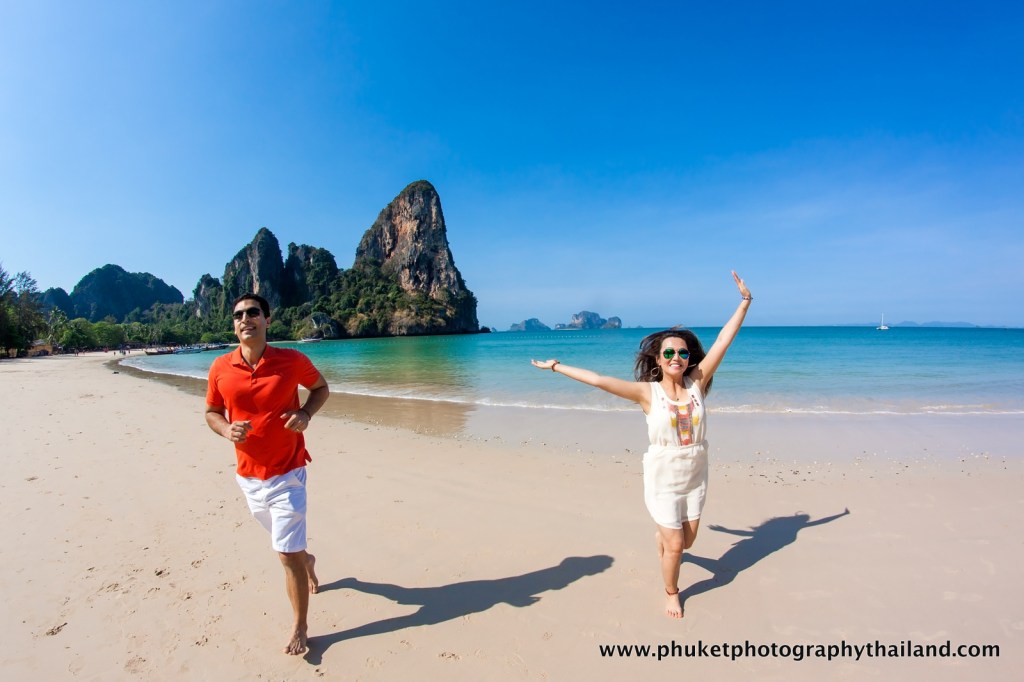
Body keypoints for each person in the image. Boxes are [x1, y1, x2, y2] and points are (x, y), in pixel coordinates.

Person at [531, 271, 752, 619]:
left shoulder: (697, 382)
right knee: (676, 546)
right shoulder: (647, 393)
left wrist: (744, 304)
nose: (676, 356)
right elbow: (600, 380)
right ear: (659, 359)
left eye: (682, 351)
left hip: (695, 473)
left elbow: (724, 340)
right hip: (663, 477)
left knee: (688, 542)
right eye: (669, 351)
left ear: (688, 357)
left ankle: (666, 543)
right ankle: (672, 592)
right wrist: (557, 366)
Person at [205, 293, 331, 654]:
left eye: (253, 313)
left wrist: (306, 413)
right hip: (248, 478)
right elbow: (211, 411)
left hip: (289, 472)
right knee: (288, 547)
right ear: (234, 324)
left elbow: (321, 388)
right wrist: (226, 429)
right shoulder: (220, 368)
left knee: (284, 554)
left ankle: (300, 626)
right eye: (238, 315)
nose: (245, 319)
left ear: (267, 320)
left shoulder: (291, 360)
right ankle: (307, 560)